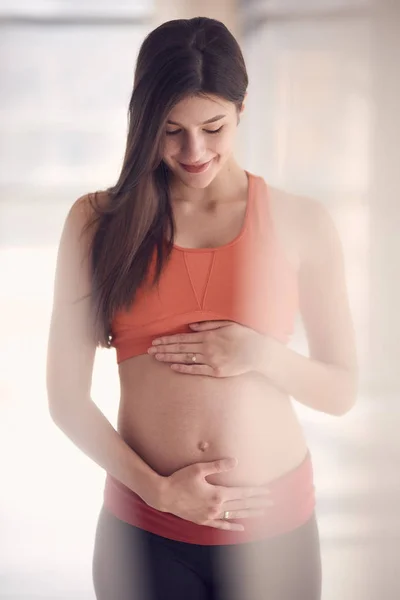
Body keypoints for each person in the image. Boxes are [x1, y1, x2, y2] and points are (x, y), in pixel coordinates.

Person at [46, 16, 358, 600]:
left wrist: (259, 353)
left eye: (213, 127)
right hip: (145, 532)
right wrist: (157, 491)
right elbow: (65, 398)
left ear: (242, 108)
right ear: (143, 122)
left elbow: (340, 391)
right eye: (170, 131)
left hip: (275, 532)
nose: (193, 152)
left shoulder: (303, 222)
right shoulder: (97, 223)